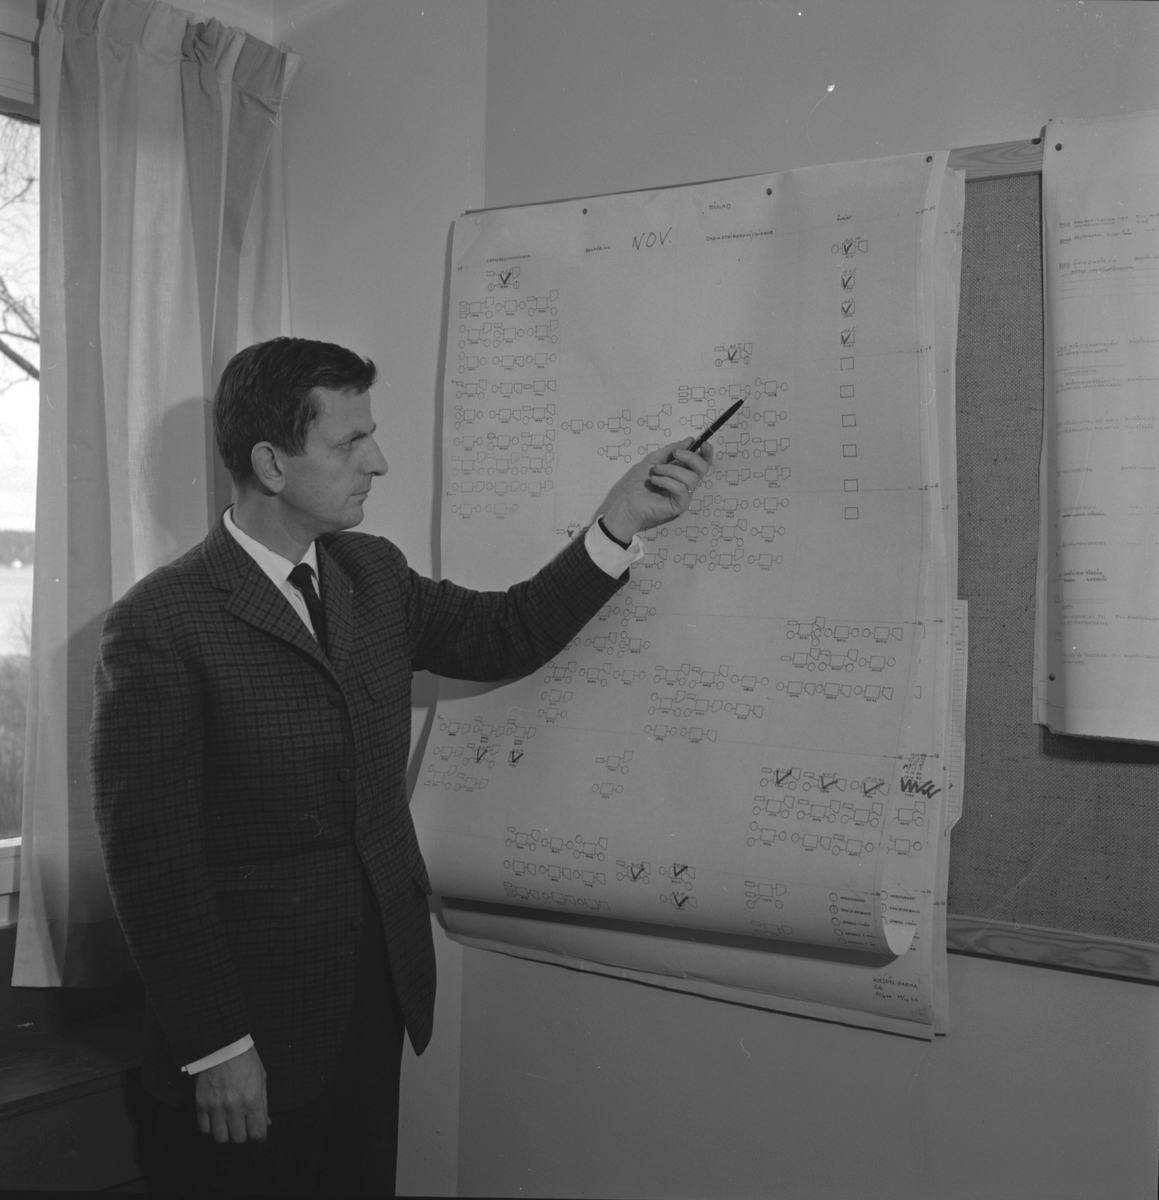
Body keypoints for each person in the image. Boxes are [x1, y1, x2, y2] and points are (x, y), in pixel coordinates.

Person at [90, 336, 711, 1195]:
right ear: (271, 464)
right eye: (350, 442)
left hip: (371, 997)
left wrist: (617, 524)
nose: (377, 462)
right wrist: (216, 1046)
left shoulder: (370, 572)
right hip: (246, 1033)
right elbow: (150, 866)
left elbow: (503, 633)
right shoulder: (159, 623)